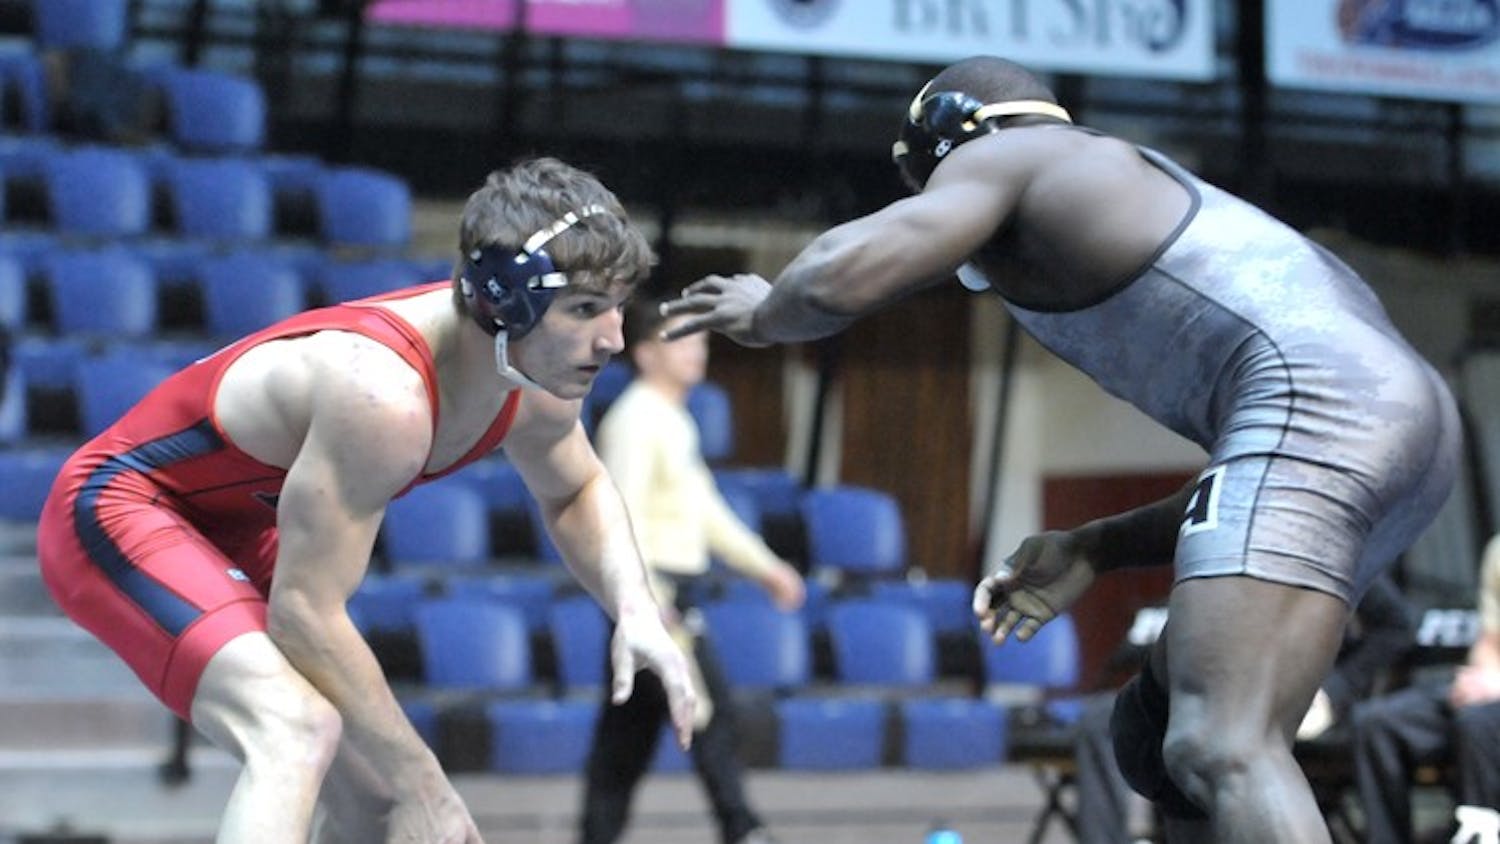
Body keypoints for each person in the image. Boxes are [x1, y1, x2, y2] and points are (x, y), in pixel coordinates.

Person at [662, 55, 1461, 843]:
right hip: (1408, 435)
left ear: (949, 136)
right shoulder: (1105, 180)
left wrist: (765, 312)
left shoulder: (1012, 156)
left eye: (924, 184)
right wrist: (1099, 544)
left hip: (1319, 414)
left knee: (1222, 743)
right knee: (1157, 738)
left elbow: (836, 279)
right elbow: (1267, 483)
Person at [36, 157, 697, 843]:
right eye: (586, 310)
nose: (614, 339)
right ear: (504, 301)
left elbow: (576, 488)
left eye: (618, 307)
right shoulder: (383, 395)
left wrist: (633, 606)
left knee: (378, 800)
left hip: (245, 527)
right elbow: (305, 614)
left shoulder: (530, 374)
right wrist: (428, 782)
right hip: (127, 507)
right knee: (295, 728)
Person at [579, 298, 804, 844]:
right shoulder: (635, 420)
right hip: (656, 598)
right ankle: (743, 828)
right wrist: (643, 599)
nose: (696, 351)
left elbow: (706, 511)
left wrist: (767, 568)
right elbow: (620, 511)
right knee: (708, 715)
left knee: (624, 743)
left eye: (700, 340)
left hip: (666, 593)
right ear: (647, 353)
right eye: (682, 340)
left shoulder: (672, 420)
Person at [1074, 573, 1416, 843]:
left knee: (1217, 741)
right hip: (1217, 682)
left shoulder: (1320, 537)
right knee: (1101, 719)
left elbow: (1396, 627)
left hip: (1296, 693)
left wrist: (1335, 689)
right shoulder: (1220, 535)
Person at [1351, 536, 1500, 843]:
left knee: (1477, 722)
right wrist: (1475, 680)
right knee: (1376, 722)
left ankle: (1479, 835)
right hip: (1491, 688)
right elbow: (1490, 639)